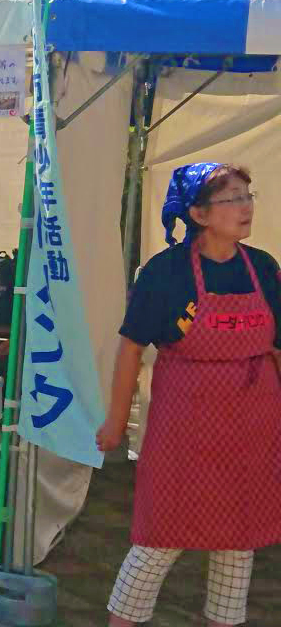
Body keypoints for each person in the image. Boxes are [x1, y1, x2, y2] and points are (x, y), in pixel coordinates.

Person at [98, 163, 281, 627]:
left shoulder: (263, 268)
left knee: (238, 543)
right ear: (198, 214)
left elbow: (277, 347)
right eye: (233, 198)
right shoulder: (165, 272)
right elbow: (131, 348)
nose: (246, 207)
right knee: (159, 538)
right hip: (185, 428)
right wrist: (116, 422)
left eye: (248, 196)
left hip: (254, 424)